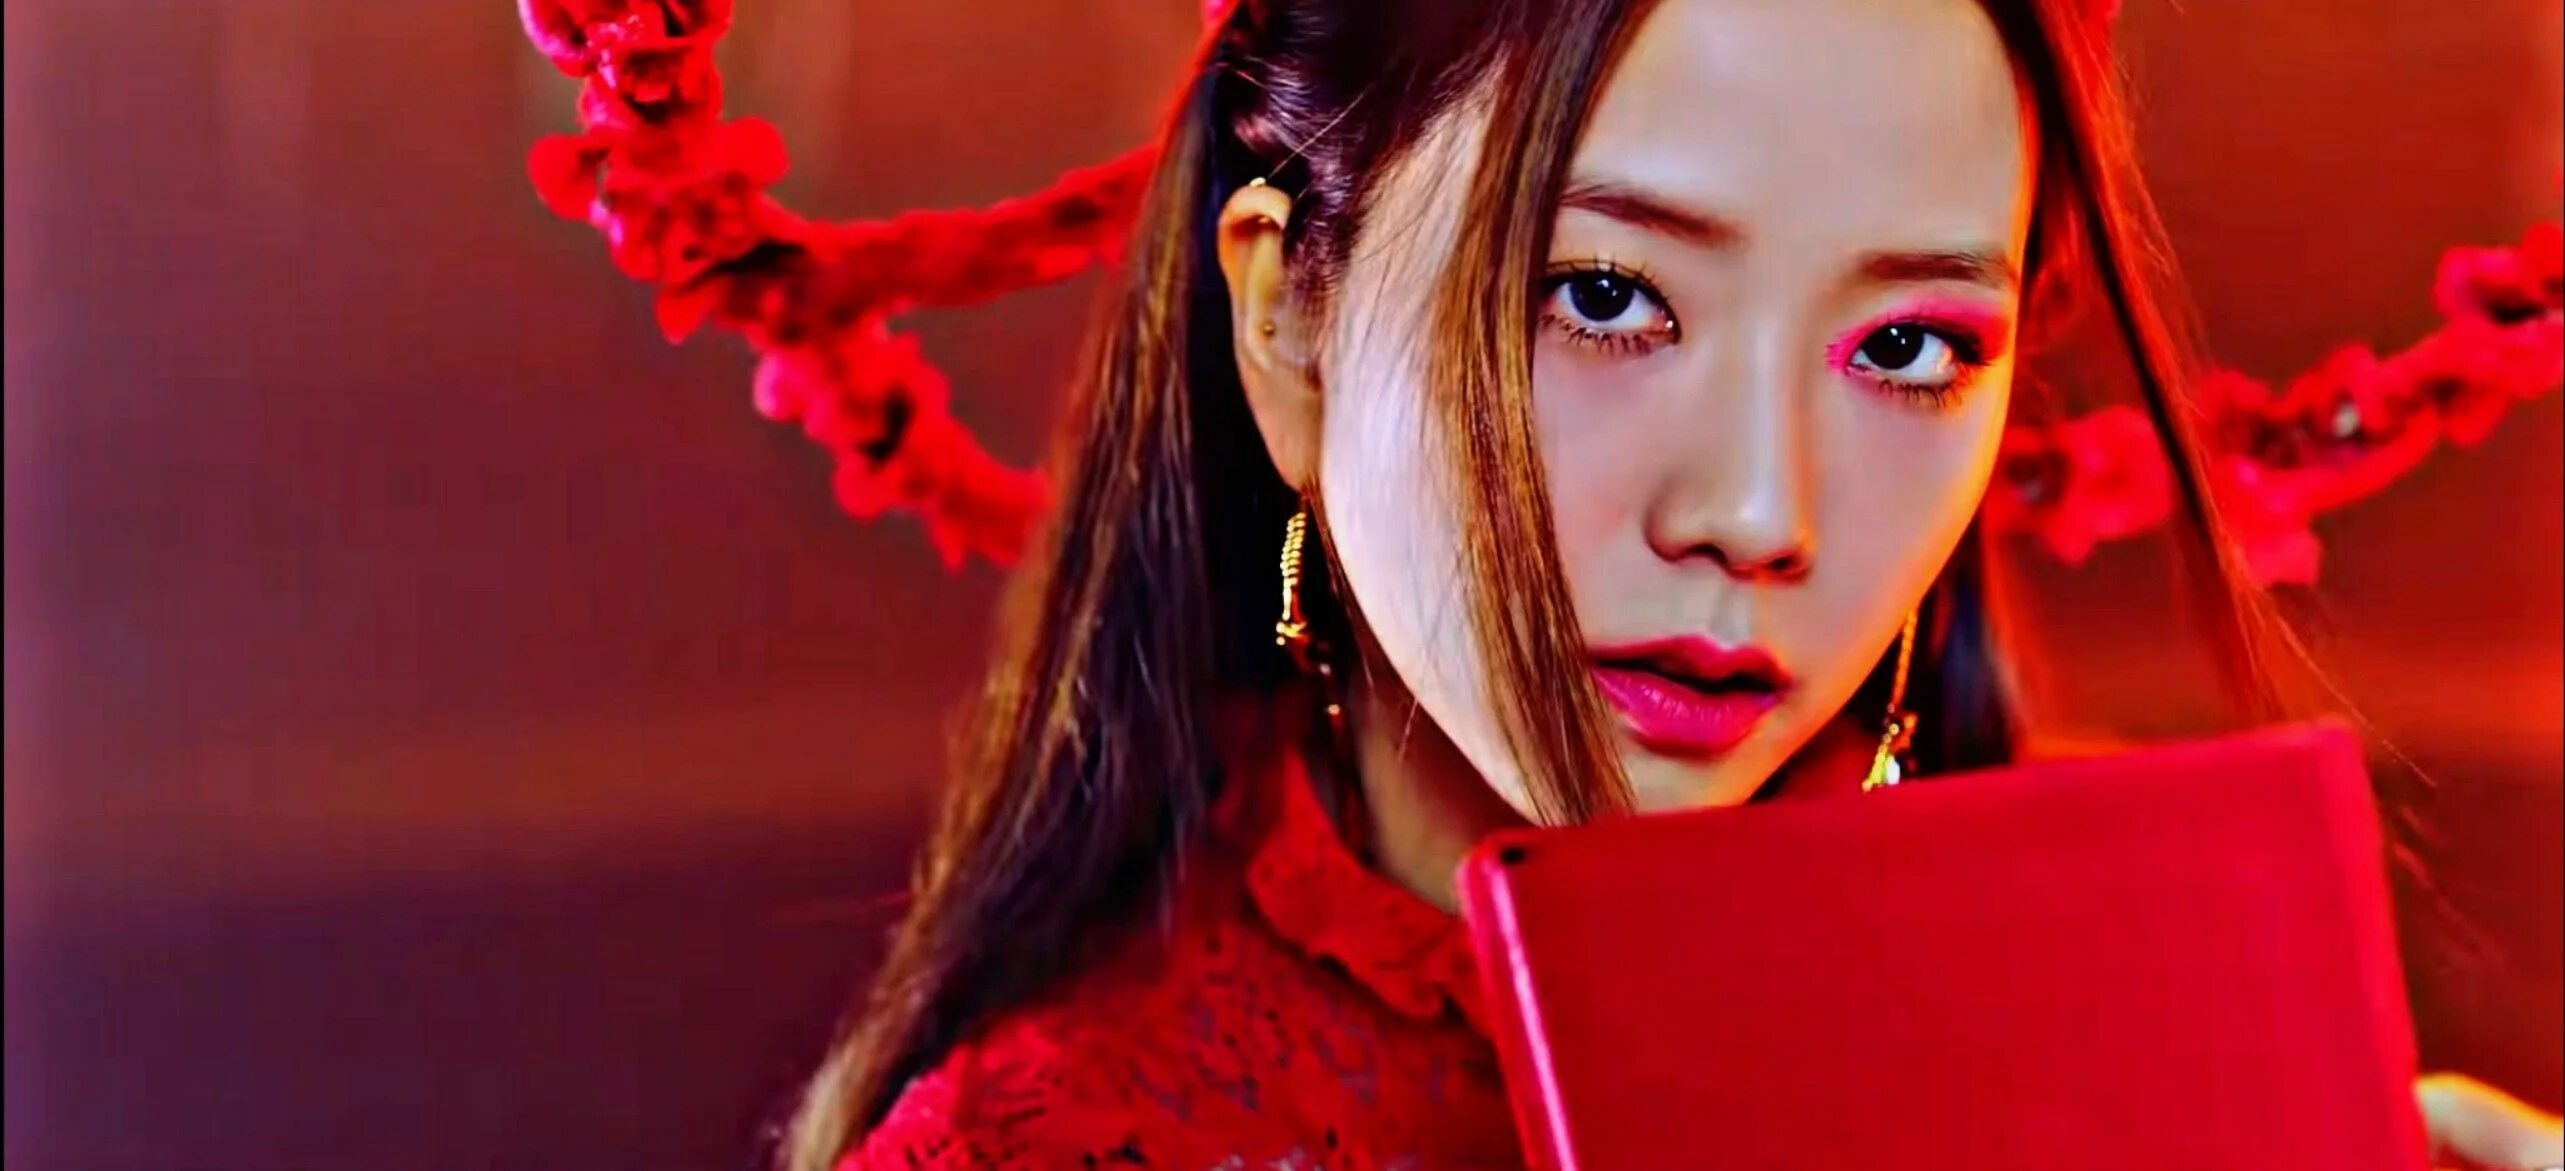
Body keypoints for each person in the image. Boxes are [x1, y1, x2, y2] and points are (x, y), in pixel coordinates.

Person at [773, 0, 2565, 1167]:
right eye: (1605, 297)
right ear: (1290, 322)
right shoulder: (1051, 1142)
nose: (1758, 511)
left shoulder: (2178, 1017)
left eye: (1911, 345)